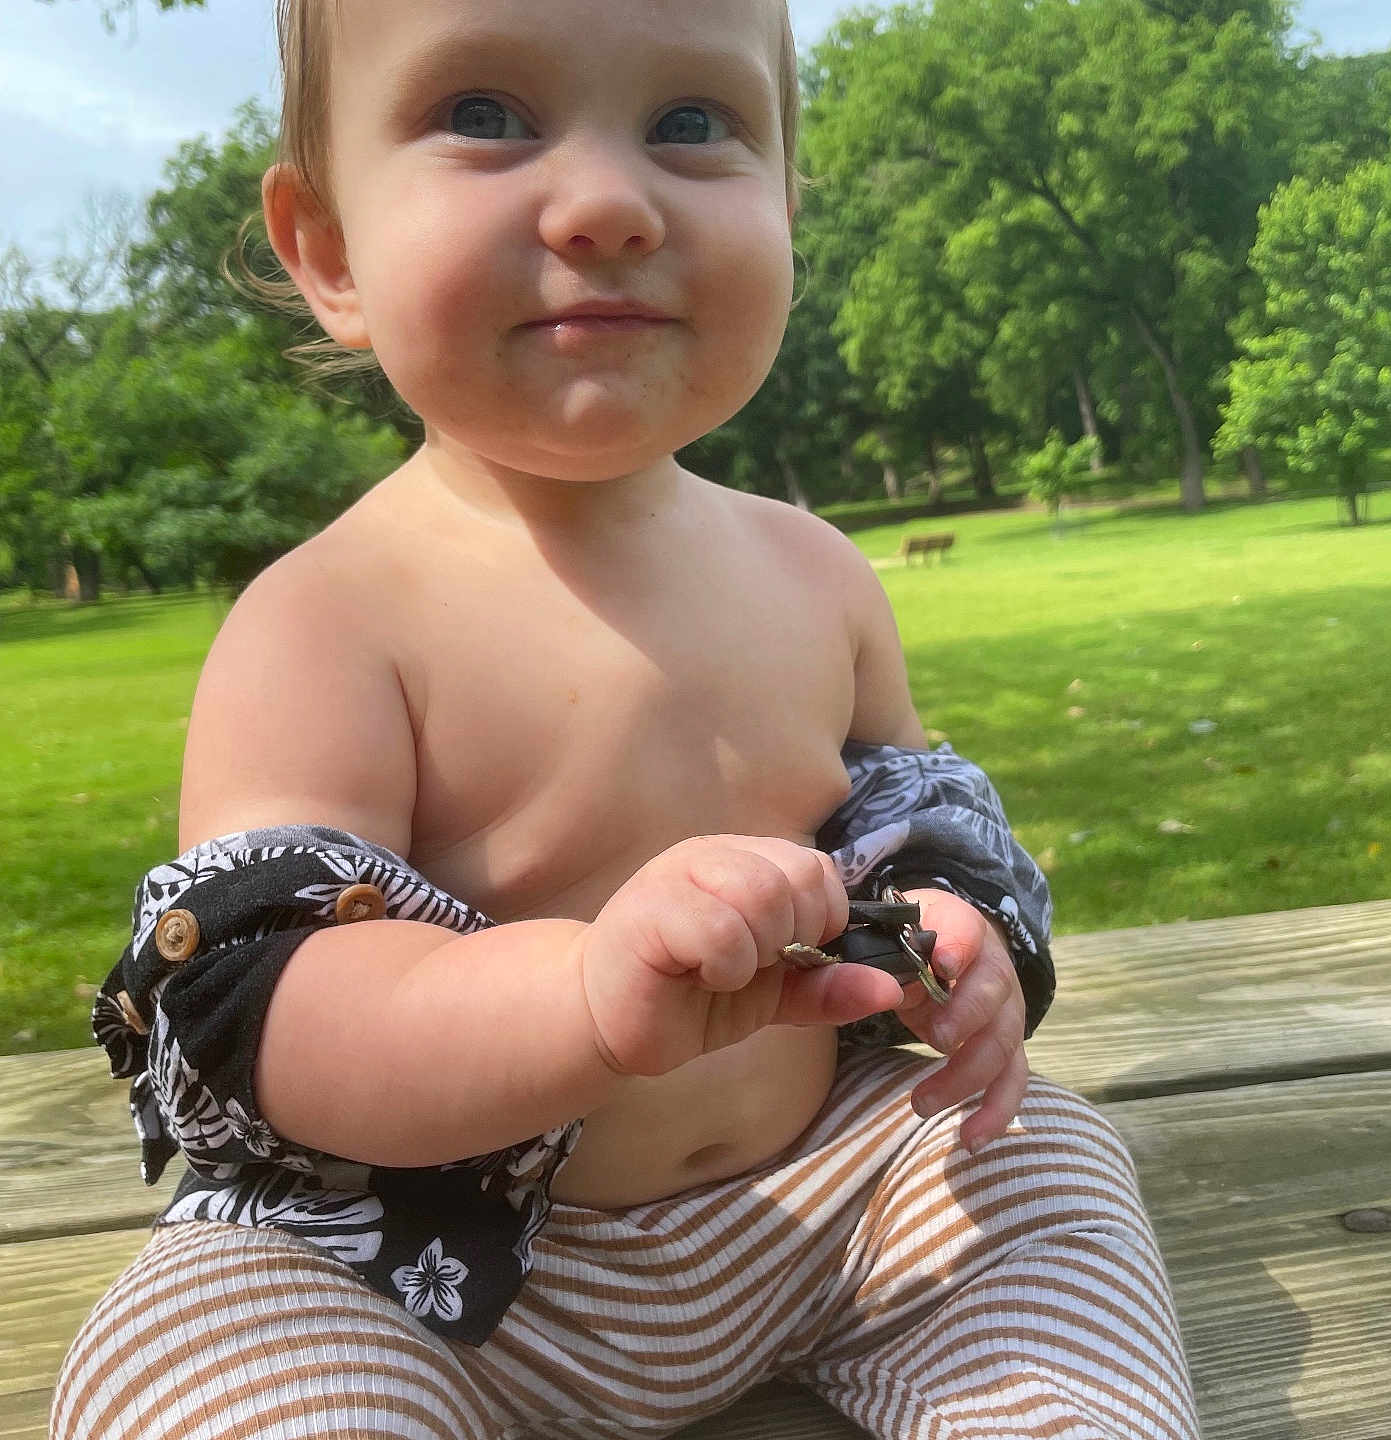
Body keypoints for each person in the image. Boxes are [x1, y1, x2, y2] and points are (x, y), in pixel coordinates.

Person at [51, 0, 1200, 1434]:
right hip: (430, 1268)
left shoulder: (815, 571)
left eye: (690, 124)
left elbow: (916, 824)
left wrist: (954, 946)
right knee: (207, 1337)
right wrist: (583, 999)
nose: (607, 203)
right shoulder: (324, 621)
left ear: (785, 201)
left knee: (1050, 1165)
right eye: (484, 115)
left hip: (814, 1208)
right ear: (331, 250)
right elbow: (269, 1017)